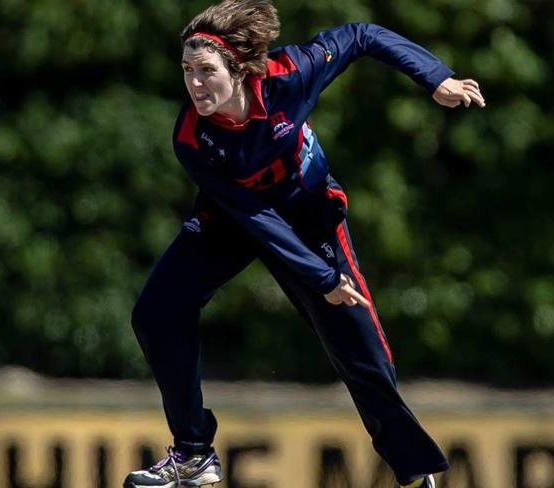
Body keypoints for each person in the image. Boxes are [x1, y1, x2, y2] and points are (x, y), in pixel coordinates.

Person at [125, 1, 485, 487]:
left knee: (360, 351)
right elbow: (252, 216)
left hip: (310, 213)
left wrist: (435, 77)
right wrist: (321, 278)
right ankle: (193, 454)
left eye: (206, 71)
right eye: (187, 71)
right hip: (233, 219)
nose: (194, 84)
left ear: (238, 69)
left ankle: (416, 472)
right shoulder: (191, 135)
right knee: (156, 312)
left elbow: (361, 34)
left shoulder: (291, 73)